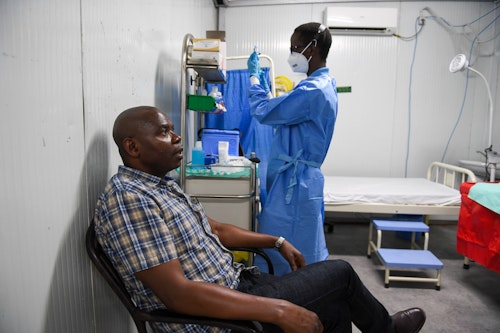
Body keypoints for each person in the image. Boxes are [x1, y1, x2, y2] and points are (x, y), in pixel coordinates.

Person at [94, 105, 426, 333]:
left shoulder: (161, 187)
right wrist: (280, 311)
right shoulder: (129, 199)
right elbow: (178, 295)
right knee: (340, 274)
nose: (177, 138)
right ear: (133, 147)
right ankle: (387, 329)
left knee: (334, 305)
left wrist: (276, 241)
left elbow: (216, 229)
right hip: (214, 322)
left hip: (239, 284)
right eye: (165, 132)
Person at [247, 22, 337, 275]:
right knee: (303, 243)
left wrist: (254, 77)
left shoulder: (312, 91)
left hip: (295, 183)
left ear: (313, 48)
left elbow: (263, 111)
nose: (292, 55)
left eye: (296, 48)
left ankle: (287, 299)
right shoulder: (324, 84)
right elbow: (284, 113)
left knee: (285, 246)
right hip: (302, 178)